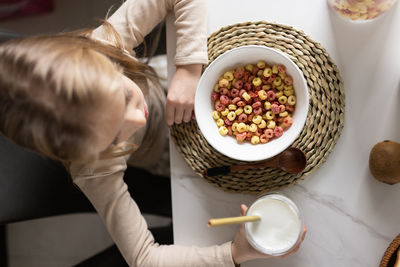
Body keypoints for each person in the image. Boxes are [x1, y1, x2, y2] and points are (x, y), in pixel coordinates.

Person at [0, 0, 306, 266]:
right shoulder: (94, 171)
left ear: (98, 59)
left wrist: (187, 69)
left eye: (125, 99)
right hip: (162, 154)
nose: (137, 117)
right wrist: (233, 254)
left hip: (169, 85)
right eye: (115, 136)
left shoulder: (105, 45)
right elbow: (144, 258)